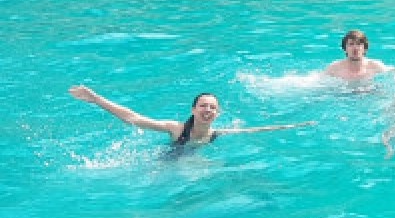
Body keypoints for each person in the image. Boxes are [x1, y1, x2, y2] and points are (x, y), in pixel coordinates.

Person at [68, 85, 315, 146]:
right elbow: (134, 118)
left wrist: (297, 125)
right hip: (168, 164)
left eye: (212, 107)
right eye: (203, 106)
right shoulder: (176, 129)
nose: (208, 110)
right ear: (193, 110)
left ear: (218, 113)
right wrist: (96, 99)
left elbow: (258, 130)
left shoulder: (217, 134)